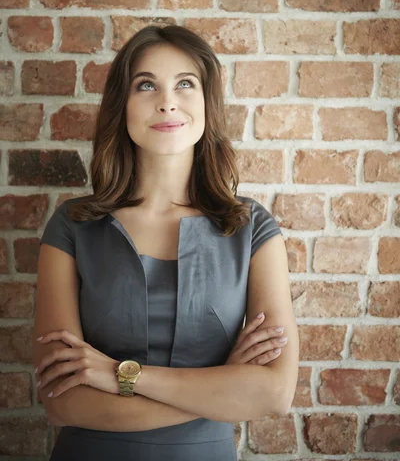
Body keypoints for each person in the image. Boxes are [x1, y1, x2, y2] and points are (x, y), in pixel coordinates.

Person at [33, 25, 299, 460]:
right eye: (146, 85)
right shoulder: (72, 226)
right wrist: (222, 387)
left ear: (207, 104)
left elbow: (273, 394)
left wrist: (119, 375)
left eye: (185, 84)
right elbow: (63, 403)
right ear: (123, 106)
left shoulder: (252, 228)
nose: (167, 100)